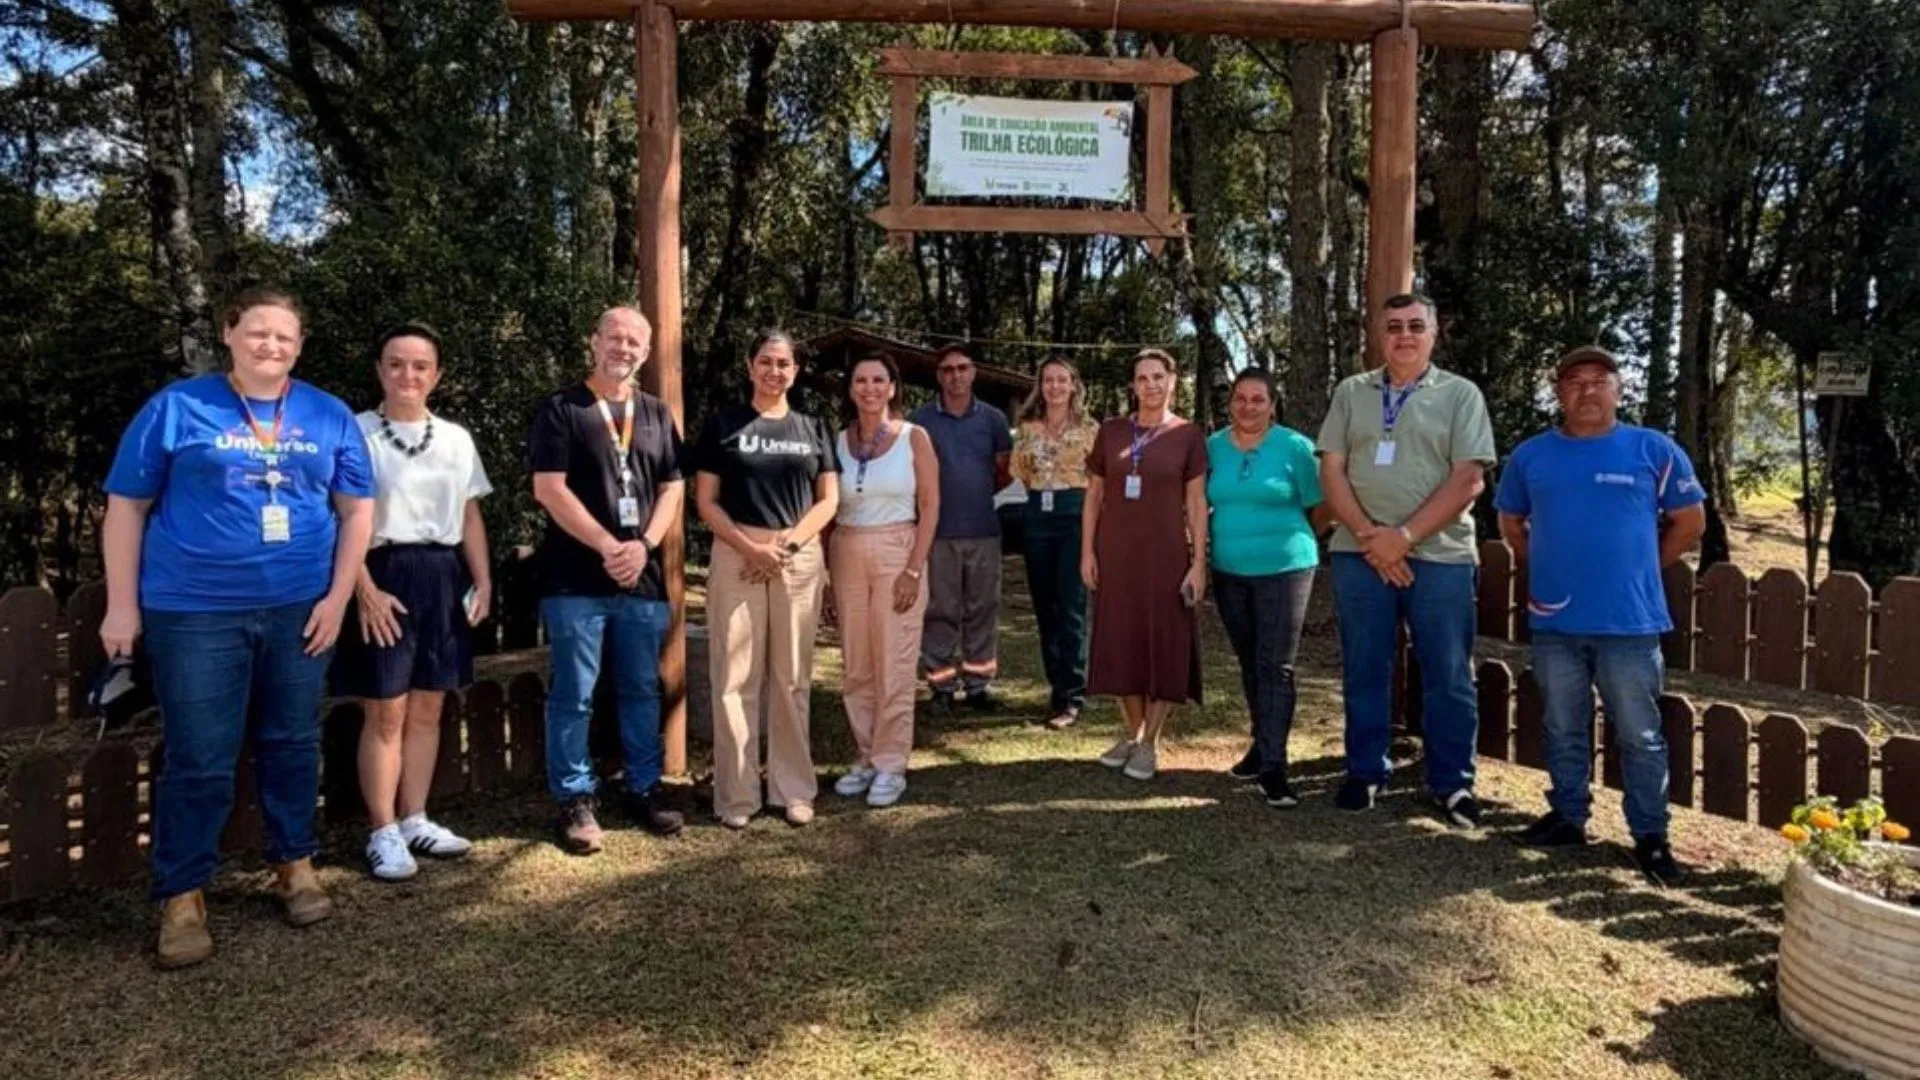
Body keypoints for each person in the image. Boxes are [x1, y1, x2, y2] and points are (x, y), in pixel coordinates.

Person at [102, 286, 375, 969]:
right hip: (194, 611)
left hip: (299, 609)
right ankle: (184, 895)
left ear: (300, 345)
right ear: (229, 333)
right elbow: (126, 508)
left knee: (291, 740)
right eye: (257, 332)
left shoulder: (327, 413)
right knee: (199, 756)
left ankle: (294, 864)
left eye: (284, 337)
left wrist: (339, 596)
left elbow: (357, 510)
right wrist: (121, 607)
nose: (270, 346)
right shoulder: (177, 407)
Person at [1496, 346, 1706, 887]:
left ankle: (1651, 837)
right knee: (1562, 725)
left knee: (1639, 734)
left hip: (1630, 624)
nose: (1587, 390)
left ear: (1618, 389)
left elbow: (1688, 521)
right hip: (1556, 623)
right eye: (1574, 381)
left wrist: (1641, 566)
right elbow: (1511, 522)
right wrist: (1545, 564)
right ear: (1559, 393)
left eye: (1599, 380)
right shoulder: (1531, 456)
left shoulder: (1653, 449)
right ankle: (1568, 818)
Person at [1318, 292, 1496, 825]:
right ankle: (1365, 770)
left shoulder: (1461, 395)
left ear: (1433, 334)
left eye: (1416, 326)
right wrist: (1373, 537)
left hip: (1439, 556)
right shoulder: (1352, 391)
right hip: (1359, 553)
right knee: (1365, 665)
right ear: (1380, 334)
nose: (1404, 335)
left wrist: (1405, 536)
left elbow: (1469, 478)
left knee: (1447, 671)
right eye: (1393, 326)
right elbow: (1332, 470)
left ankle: (1451, 784)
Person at [332, 323, 492, 881]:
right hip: (382, 572)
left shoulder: (455, 438)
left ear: (437, 375)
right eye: (396, 363)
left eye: (420, 366)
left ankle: (414, 818)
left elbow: (470, 515)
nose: (408, 375)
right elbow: (341, 517)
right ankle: (381, 829)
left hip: (443, 575)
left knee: (429, 705)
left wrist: (484, 581)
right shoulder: (353, 433)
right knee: (386, 709)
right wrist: (363, 589)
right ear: (379, 370)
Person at [528, 306, 687, 856]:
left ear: (646, 351)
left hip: (640, 581)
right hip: (576, 582)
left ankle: (643, 786)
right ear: (594, 341)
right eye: (614, 337)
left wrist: (641, 546)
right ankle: (575, 799)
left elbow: (672, 487)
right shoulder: (561, 409)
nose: (624, 347)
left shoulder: (656, 412)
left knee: (642, 687)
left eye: (635, 341)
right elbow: (548, 489)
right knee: (574, 694)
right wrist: (607, 546)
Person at [695, 329, 840, 829]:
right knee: (734, 679)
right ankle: (736, 797)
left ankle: (792, 789)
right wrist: (750, 548)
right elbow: (706, 502)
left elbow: (829, 500)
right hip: (738, 552)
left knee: (792, 677)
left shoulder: (812, 426)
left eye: (783, 363)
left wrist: (786, 547)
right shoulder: (723, 424)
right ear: (749, 366)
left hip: (796, 555)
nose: (774, 371)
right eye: (765, 361)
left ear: (795, 371)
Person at [1082, 348, 1210, 781]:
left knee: (1166, 644)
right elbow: (1094, 497)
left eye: (1159, 376)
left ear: (1173, 381)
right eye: (1142, 378)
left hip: (1167, 556)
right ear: (1132, 385)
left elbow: (1195, 502)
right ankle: (1132, 734)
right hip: (1116, 555)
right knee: (1122, 644)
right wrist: (1087, 551)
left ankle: (1151, 741)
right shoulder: (1112, 431)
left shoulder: (1189, 435)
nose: (1150, 385)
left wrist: (1198, 563)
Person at [1207, 369, 1326, 809]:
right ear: (1230, 402)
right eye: (1241, 398)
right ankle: (1261, 744)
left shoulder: (1294, 447)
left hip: (1284, 568)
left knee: (1276, 665)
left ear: (1273, 404)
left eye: (1258, 399)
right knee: (1249, 661)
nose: (1248, 407)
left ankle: (1275, 766)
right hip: (1228, 569)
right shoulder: (1213, 446)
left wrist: (1292, 539)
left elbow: (1321, 504)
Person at [828, 353, 939, 808]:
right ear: (851, 389)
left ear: (892, 387)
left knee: (893, 661)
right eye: (861, 380)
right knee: (856, 663)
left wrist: (914, 567)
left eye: (879, 380)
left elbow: (931, 505)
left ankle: (892, 763)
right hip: (846, 547)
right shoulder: (837, 439)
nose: (870, 388)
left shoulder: (915, 437)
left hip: (898, 548)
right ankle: (866, 755)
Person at [910, 344, 1013, 714]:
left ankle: (978, 685)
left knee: (983, 607)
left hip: (983, 529)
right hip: (936, 533)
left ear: (973, 372)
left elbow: (1004, 471)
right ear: (939, 375)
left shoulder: (994, 420)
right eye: (948, 369)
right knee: (939, 609)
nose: (955, 375)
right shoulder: (919, 421)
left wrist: (977, 491)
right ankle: (940, 685)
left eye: (962, 368)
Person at [1009, 356, 1100, 729]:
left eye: (1062, 380)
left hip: (1075, 515)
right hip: (1037, 514)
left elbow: (1099, 482)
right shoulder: (1027, 428)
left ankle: (1073, 695)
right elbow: (1022, 473)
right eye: (1048, 380)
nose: (1055, 386)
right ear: (1040, 385)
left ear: (1074, 385)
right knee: (1045, 607)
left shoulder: (1091, 429)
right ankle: (1056, 687)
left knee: (1071, 606)